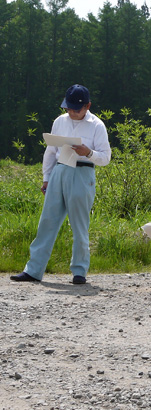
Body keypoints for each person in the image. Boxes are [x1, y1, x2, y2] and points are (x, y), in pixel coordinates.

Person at [10, 84, 111, 285]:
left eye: (76, 108)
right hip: (59, 171)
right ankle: (33, 270)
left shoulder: (97, 125)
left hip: (83, 172)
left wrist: (88, 153)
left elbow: (106, 158)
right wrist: (46, 178)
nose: (71, 112)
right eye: (69, 108)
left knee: (79, 224)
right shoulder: (59, 121)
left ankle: (79, 271)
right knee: (47, 221)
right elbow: (50, 151)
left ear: (88, 106)